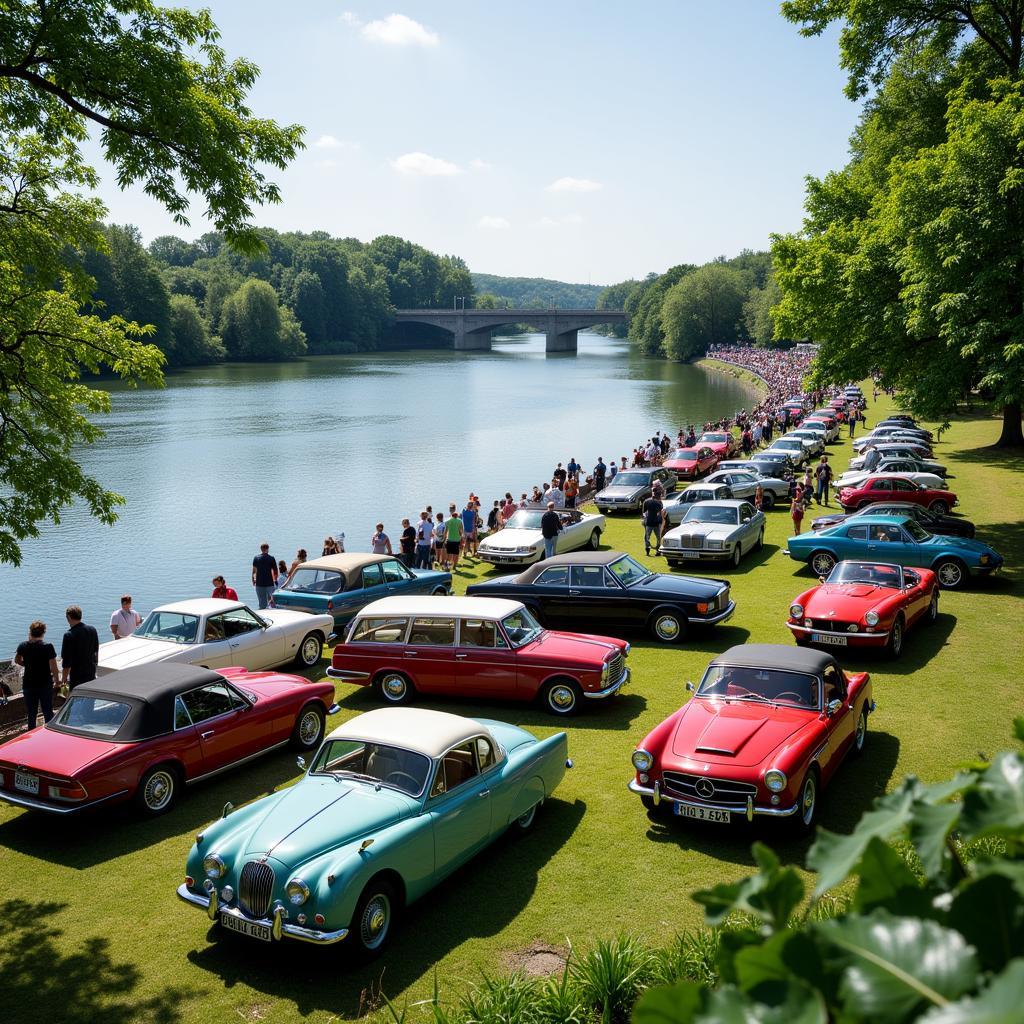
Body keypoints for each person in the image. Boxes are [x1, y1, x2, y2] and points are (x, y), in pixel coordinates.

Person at [15, 620, 60, 729]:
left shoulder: (23, 646)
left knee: (31, 713)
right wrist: (57, 681)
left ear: (30, 632)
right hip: (45, 684)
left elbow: (17, 660)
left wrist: (27, 664)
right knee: (47, 712)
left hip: (29, 684)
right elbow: (54, 667)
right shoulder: (48, 646)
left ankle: (31, 734)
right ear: (43, 633)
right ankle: (49, 735)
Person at [60, 606, 98, 692]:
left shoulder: (69, 635)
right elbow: (96, 652)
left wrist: (64, 680)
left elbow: (66, 662)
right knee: (89, 701)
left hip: (77, 677)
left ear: (69, 617)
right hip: (90, 673)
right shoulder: (92, 630)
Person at [251, 542, 278, 609]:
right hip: (270, 584)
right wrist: (275, 580)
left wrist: (253, 580)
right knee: (272, 602)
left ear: (261, 549)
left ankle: (262, 617)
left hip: (259, 583)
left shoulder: (256, 558)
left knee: (262, 603)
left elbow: (254, 571)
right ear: (268, 549)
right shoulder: (271, 558)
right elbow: (275, 572)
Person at [641, 484, 666, 556]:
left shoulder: (647, 501)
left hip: (652, 523)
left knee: (649, 538)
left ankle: (651, 551)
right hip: (653, 523)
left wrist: (643, 520)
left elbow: (643, 513)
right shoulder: (658, 502)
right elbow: (644, 513)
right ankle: (654, 551)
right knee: (655, 537)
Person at [445, 505, 464, 571]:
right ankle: (454, 567)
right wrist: (462, 539)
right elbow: (461, 531)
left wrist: (444, 539)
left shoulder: (447, 521)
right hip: (457, 540)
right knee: (456, 554)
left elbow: (445, 531)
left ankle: (447, 566)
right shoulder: (459, 521)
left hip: (449, 539)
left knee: (449, 554)